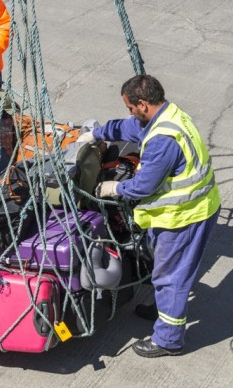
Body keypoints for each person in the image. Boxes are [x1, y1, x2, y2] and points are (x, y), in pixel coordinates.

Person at [79, 74, 221, 357]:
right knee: (164, 269)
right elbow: (130, 128)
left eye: (131, 108)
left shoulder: (162, 140)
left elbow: (143, 186)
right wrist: (97, 134)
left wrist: (113, 187)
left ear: (143, 104)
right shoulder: (166, 116)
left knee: (171, 276)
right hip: (186, 210)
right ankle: (165, 309)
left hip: (185, 217)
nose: (130, 113)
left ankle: (168, 339)